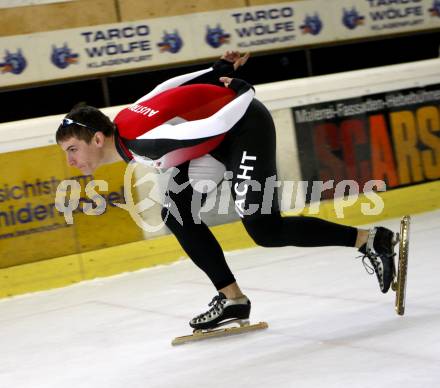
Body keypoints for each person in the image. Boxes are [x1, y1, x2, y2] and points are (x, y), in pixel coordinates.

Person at [56, 51, 397, 331]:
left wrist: (246, 92)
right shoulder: (125, 120)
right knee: (176, 212)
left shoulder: (144, 143)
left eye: (72, 149)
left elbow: (217, 124)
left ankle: (370, 240)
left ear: (97, 139)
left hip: (242, 125)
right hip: (215, 138)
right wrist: (214, 70)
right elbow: (167, 87)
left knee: (266, 229)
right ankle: (233, 299)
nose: (70, 161)